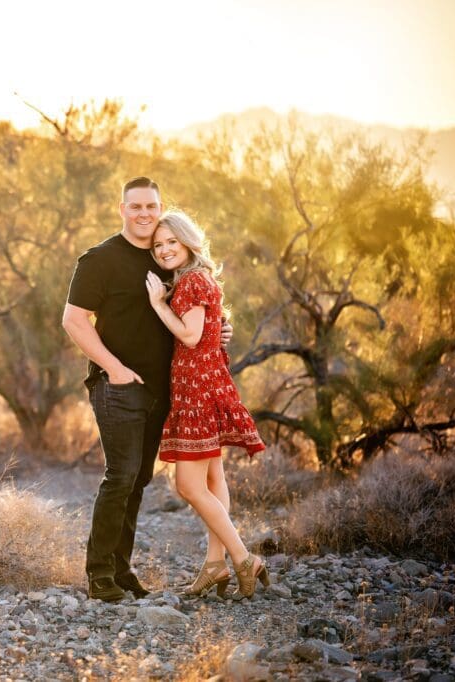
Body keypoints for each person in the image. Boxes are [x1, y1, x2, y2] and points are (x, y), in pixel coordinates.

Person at [62, 177, 231, 602]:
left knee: (138, 481)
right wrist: (114, 369)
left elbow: (194, 311)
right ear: (121, 209)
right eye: (135, 206)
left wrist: (218, 331)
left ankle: (122, 571)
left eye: (151, 207)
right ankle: (100, 575)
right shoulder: (98, 260)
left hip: (165, 389)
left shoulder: (168, 257)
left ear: (160, 210)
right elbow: (74, 320)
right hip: (118, 386)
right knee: (119, 477)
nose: (144, 214)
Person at [144, 210, 268, 599]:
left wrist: (158, 304)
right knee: (215, 480)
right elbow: (211, 331)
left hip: (197, 391)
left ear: (188, 242)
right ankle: (216, 565)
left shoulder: (192, 281)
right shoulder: (200, 279)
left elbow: (192, 335)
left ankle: (244, 559)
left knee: (189, 486)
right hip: (207, 383)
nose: (164, 250)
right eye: (158, 245)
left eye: (171, 242)